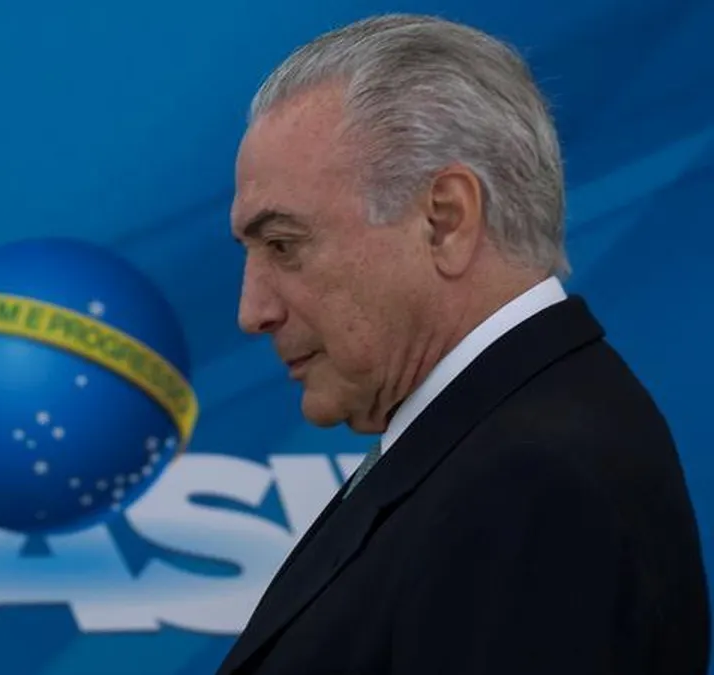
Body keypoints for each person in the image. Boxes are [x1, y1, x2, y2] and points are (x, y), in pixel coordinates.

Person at [219, 13, 709, 675]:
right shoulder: (499, 447)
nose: (253, 312)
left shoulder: (531, 483)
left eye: (283, 245)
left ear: (445, 220)